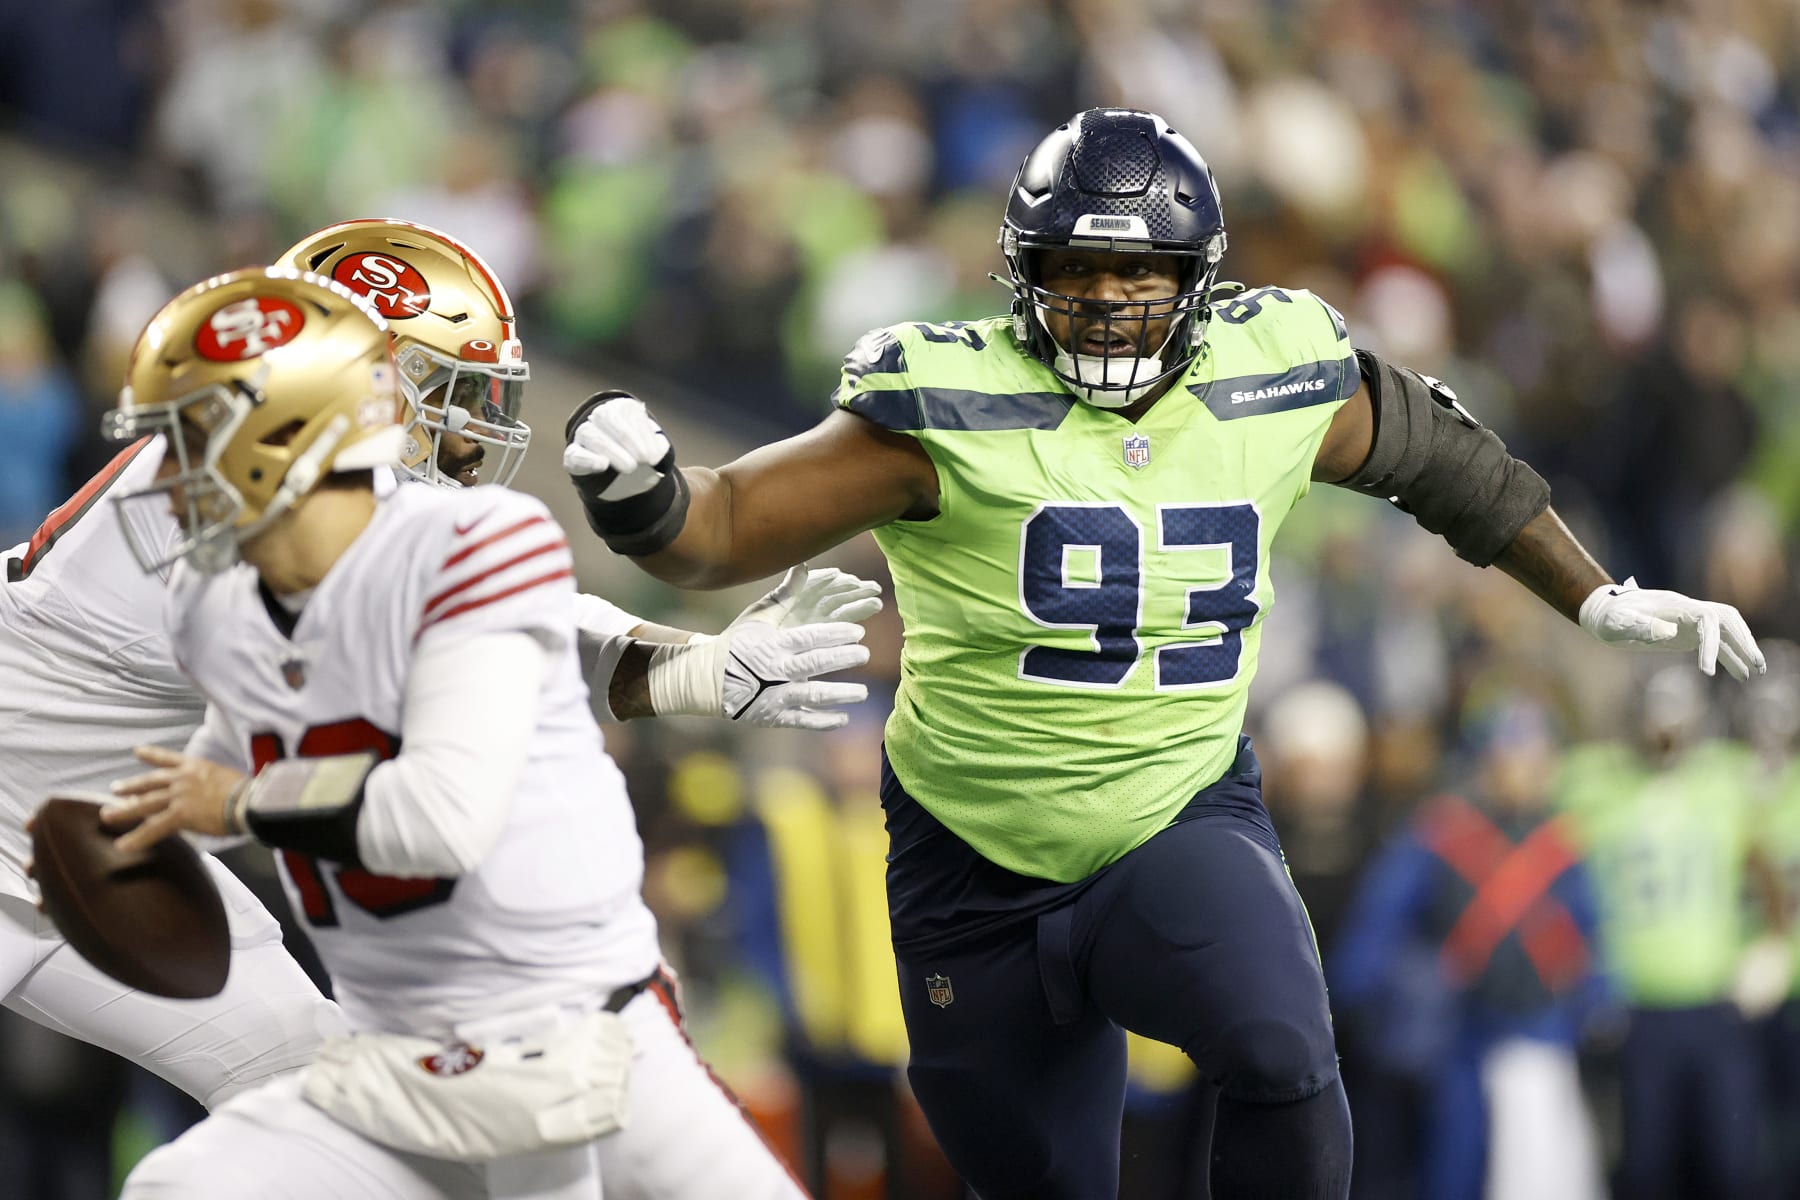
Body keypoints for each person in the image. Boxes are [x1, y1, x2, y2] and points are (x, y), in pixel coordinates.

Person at [558, 107, 1767, 1198]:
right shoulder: (945, 403)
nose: (1106, 298)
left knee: (1286, 1054)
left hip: (1175, 814)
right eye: (1075, 269)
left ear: (1197, 278)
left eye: (1138, 268)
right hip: (971, 863)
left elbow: (1440, 458)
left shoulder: (1270, 369)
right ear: (1023, 277)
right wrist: (640, 498)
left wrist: (1593, 597)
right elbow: (714, 527)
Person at [103, 266, 810, 1200]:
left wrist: (700, 668)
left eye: (192, 437)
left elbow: (441, 813)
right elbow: (218, 775)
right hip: (392, 1058)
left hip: (578, 1036)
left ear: (286, 437)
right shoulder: (210, 601)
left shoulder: (480, 541)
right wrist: (108, 842)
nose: (167, 474)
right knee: (176, 1189)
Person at [1332, 698, 1612, 1200]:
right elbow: (1378, 925)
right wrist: (1370, 992)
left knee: (1545, 1174)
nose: (1524, 769)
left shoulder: (1561, 841)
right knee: (1454, 1171)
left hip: (1540, 1031)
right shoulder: (1440, 832)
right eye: (1512, 755)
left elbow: (1590, 933)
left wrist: (1601, 998)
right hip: (1460, 1035)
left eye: (1536, 756)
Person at [1558, 666, 1771, 1199]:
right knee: (1645, 1169)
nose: (1665, 734)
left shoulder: (1728, 779)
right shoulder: (1592, 782)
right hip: (1633, 1010)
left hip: (1714, 1003)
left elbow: (1773, 870)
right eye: (1655, 718)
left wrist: (1775, 944)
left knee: (1732, 1165)